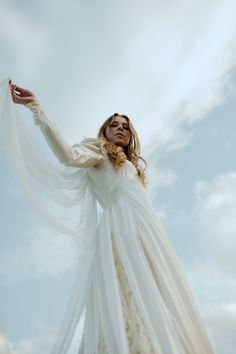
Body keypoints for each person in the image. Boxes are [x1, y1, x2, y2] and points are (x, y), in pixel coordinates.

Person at [1, 79, 214, 354]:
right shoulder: (97, 151)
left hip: (148, 231)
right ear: (104, 130)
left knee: (159, 292)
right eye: (114, 124)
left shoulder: (132, 167)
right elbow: (66, 156)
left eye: (125, 126)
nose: (120, 129)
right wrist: (36, 109)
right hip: (120, 229)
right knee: (127, 291)